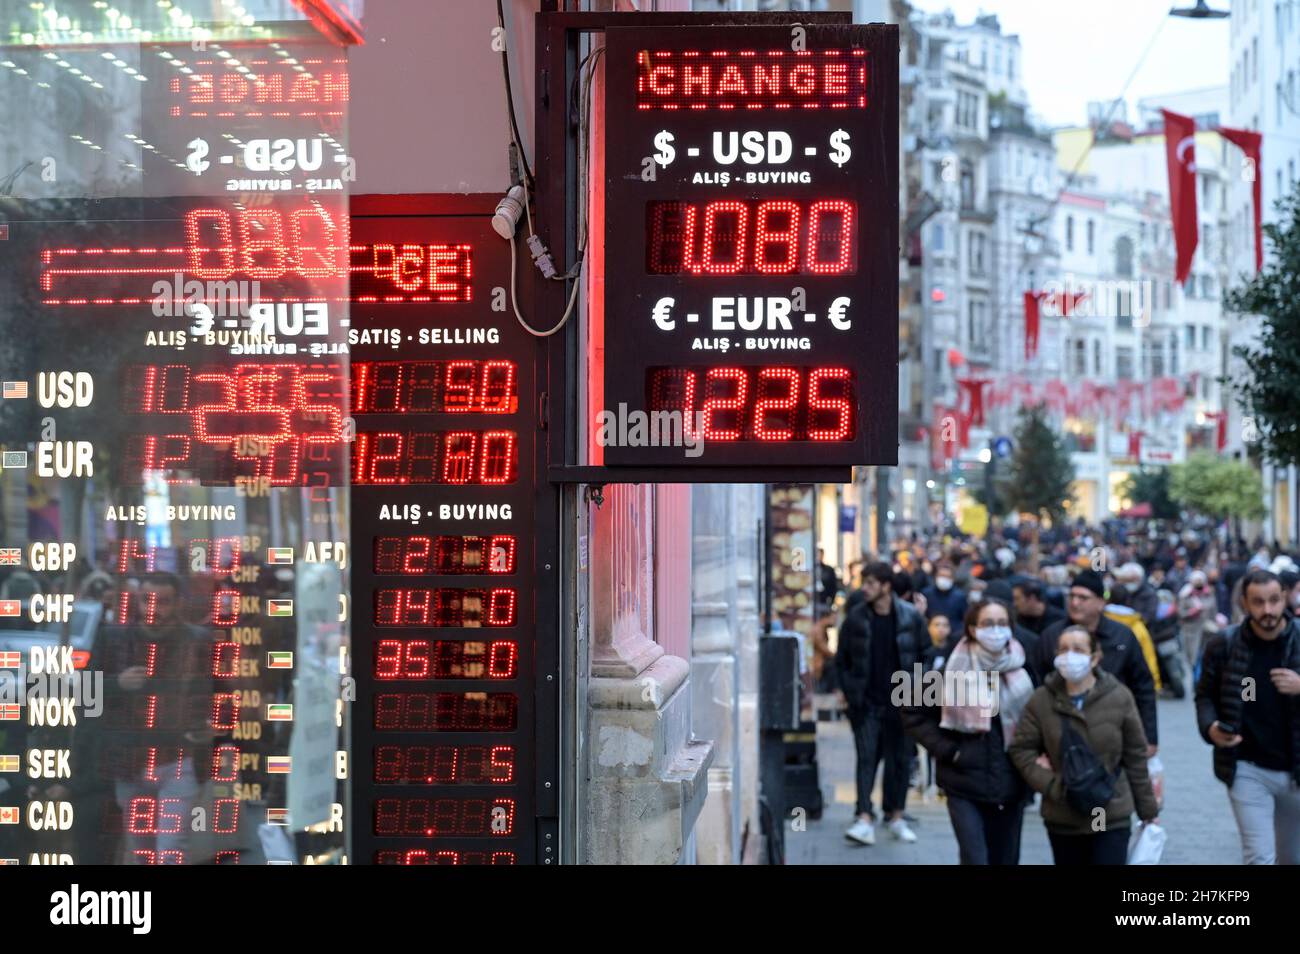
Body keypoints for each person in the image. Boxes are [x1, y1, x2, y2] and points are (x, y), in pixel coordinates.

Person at [1009, 625, 1160, 865]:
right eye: (1063, 649)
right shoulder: (1041, 700)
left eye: (1078, 649)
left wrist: (1148, 810)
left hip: (1108, 811)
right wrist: (1050, 784)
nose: (1070, 656)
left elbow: (1135, 756)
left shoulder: (1119, 697)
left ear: (1095, 657)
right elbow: (1021, 749)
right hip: (1064, 814)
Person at [904, 600, 1037, 864]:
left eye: (1002, 623)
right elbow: (912, 711)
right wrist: (948, 750)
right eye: (988, 623)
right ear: (973, 629)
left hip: (1012, 781)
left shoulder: (1024, 668)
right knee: (975, 858)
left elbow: (1041, 719)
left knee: (1006, 859)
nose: (996, 630)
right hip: (963, 781)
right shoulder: (953, 670)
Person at [1195, 569, 1300, 864]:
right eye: (1258, 602)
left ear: (1285, 599)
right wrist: (1211, 728)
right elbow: (1204, 695)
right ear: (1243, 603)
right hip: (1246, 767)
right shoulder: (1223, 645)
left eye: (1274, 600)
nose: (1268, 610)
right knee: (1259, 857)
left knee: (1291, 857)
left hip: (1295, 769)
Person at [836, 561, 927, 845]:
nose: (865, 589)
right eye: (865, 583)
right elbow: (842, 660)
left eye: (872, 583)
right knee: (866, 759)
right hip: (867, 703)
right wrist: (849, 693)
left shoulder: (911, 617)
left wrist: (921, 696)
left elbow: (925, 654)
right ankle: (864, 816)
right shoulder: (856, 618)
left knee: (899, 761)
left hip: (902, 704)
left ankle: (896, 815)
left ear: (886, 586)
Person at [1033, 569, 1158, 753]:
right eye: (1072, 596)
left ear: (1101, 602)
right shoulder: (1052, 636)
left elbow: (1143, 687)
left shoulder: (1122, 636)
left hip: (1115, 735)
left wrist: (1150, 737)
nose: (1075, 603)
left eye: (1083, 598)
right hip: (1062, 736)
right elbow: (1038, 684)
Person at [1178, 569, 1215, 669]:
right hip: (1190, 630)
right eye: (1196, 581)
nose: (1199, 584)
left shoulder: (1208, 593)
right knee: (1191, 659)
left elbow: (1213, 609)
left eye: (1200, 581)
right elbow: (1181, 613)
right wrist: (1191, 612)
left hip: (1205, 629)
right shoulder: (1185, 594)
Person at [1110, 562, 1158, 628]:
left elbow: (1149, 617)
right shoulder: (1122, 590)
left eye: (1130, 580)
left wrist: (1132, 618)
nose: (1127, 583)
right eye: (1125, 581)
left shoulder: (1149, 594)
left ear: (1139, 579)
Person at [921, 561, 967, 628]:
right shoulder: (926, 593)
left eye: (947, 577)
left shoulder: (960, 596)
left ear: (953, 579)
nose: (944, 579)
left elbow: (963, 618)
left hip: (954, 634)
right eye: (941, 576)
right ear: (936, 577)